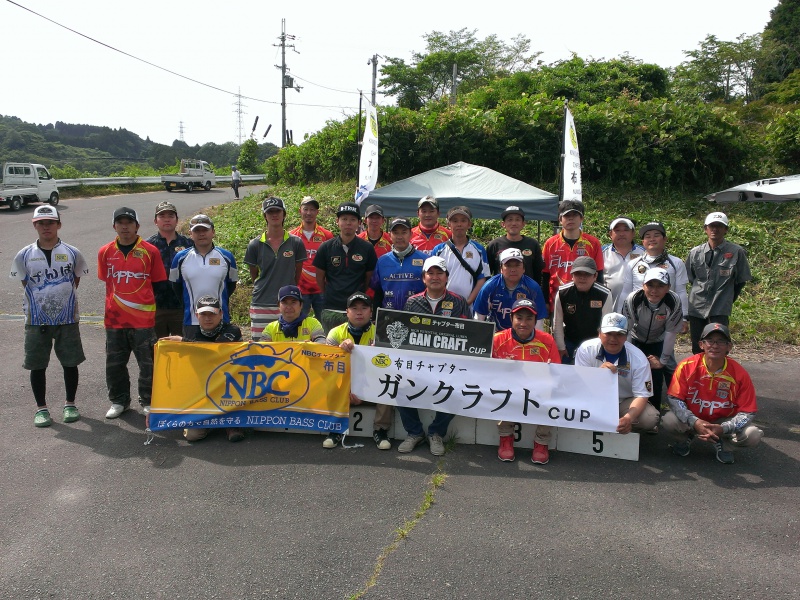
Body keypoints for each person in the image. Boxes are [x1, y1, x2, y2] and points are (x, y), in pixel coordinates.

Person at [10, 205, 89, 428]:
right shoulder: (24, 254)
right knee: (37, 365)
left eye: (50, 222)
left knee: (70, 363)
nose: (46, 227)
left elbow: (76, 279)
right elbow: (24, 282)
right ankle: (41, 409)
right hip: (36, 320)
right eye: (41, 223)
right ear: (34, 225)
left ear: (58, 225)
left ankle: (70, 404)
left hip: (67, 318)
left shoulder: (73, 252)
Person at [98, 207, 168, 419]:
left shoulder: (150, 251)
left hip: (143, 320)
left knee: (147, 364)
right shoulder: (105, 252)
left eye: (129, 222)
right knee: (115, 364)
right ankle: (119, 401)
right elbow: (106, 281)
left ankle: (147, 400)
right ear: (114, 226)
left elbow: (158, 283)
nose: (125, 226)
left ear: (137, 226)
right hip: (114, 319)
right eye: (120, 222)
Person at [397, 256, 470, 456]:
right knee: (398, 388)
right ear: (424, 278)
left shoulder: (459, 302)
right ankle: (414, 433)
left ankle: (436, 432)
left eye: (440, 273)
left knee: (457, 392)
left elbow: (470, 334)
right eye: (431, 273)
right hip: (419, 364)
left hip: (449, 365)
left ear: (447, 277)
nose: (435, 277)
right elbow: (404, 334)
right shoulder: (412, 302)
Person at [663, 323, 762, 464]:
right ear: (701, 344)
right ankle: (686, 438)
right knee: (669, 420)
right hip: (694, 419)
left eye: (721, 341)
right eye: (710, 341)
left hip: (722, 422)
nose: (715, 346)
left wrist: (723, 428)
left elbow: (748, 412)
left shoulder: (740, 373)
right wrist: (694, 422)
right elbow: (674, 398)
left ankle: (725, 446)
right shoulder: (686, 366)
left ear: (729, 347)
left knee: (752, 435)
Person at [161, 296, 246, 443]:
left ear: (221, 314)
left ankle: (231, 424)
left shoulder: (232, 330)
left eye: (212, 314)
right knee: (192, 436)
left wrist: (183, 342)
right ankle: (210, 421)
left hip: (231, 386)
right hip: (204, 389)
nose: (208, 318)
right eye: (204, 314)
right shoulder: (192, 333)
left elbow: (217, 350)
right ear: (196, 315)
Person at [492, 299, 561, 464]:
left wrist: (549, 372)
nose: (523, 323)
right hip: (509, 388)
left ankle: (541, 442)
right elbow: (488, 372)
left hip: (537, 389)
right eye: (519, 318)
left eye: (529, 319)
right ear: (511, 318)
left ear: (535, 321)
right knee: (501, 390)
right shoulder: (497, 339)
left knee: (552, 392)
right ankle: (506, 437)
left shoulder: (547, 340)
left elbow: (557, 372)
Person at [324, 291, 393, 449]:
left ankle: (381, 430)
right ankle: (336, 429)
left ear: (371, 311)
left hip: (371, 386)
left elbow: (386, 368)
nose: (359, 312)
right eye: (354, 308)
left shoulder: (380, 334)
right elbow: (329, 367)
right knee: (330, 384)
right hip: (345, 386)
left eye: (364, 307)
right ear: (347, 312)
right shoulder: (335, 333)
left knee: (388, 384)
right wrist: (340, 351)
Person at [574, 312, 660, 434]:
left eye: (619, 334)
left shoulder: (639, 359)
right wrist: (597, 376)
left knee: (649, 418)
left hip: (624, 402)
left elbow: (642, 395)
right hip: (594, 399)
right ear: (599, 333)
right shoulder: (586, 349)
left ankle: (623, 426)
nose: (613, 339)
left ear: (626, 336)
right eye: (608, 333)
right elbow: (579, 384)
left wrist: (628, 418)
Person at [685, 212, 752, 354]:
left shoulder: (736, 252)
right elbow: (690, 278)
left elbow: (740, 281)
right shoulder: (695, 252)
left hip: (720, 306)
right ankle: (699, 374)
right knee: (698, 346)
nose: (715, 229)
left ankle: (718, 375)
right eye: (712, 226)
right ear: (705, 229)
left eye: (719, 226)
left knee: (719, 345)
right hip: (696, 306)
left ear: (726, 229)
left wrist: (727, 298)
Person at [621, 267, 684, 413]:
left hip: (659, 340)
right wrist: (628, 358)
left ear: (668, 288)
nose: (654, 290)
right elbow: (626, 331)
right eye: (650, 285)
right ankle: (630, 410)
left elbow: (671, 333)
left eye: (660, 286)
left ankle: (658, 411)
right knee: (631, 372)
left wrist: (662, 361)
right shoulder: (633, 299)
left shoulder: (673, 301)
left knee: (657, 374)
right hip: (636, 338)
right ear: (643, 285)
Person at [244, 197, 307, 341]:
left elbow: (297, 272)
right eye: (270, 212)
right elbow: (254, 273)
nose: (274, 215)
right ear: (264, 216)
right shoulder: (255, 244)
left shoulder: (295, 242)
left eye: (277, 211)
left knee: (288, 347)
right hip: (261, 303)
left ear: (284, 214)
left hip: (288, 303)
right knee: (260, 347)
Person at [170, 214, 238, 339]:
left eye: (205, 230)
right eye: (197, 230)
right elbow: (176, 287)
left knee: (222, 358)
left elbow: (231, 285)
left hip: (220, 320)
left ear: (213, 232)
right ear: (191, 233)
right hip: (191, 321)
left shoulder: (227, 257)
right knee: (193, 358)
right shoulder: (180, 258)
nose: (201, 234)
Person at [313, 202, 377, 332]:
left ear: (359, 223)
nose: (348, 223)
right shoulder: (325, 247)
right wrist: (327, 294)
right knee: (331, 348)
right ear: (337, 221)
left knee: (356, 348)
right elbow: (319, 277)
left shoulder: (367, 248)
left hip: (356, 309)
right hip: (331, 308)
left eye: (353, 219)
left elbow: (369, 277)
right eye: (344, 219)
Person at [616, 221, 689, 329]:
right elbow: (626, 292)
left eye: (656, 235)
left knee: (665, 345)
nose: (652, 239)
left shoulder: (676, 263)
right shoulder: (633, 264)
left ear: (665, 239)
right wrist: (620, 316)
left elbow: (681, 291)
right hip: (637, 316)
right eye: (648, 236)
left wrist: (684, 318)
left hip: (665, 316)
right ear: (643, 241)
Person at [541, 199, 604, 310]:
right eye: (566, 215)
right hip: (557, 300)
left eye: (575, 215)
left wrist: (598, 299)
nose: (571, 218)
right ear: (560, 219)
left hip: (585, 299)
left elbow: (599, 274)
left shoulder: (593, 243)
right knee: (557, 328)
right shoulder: (550, 244)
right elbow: (545, 276)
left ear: (582, 219)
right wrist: (545, 301)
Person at [551, 256, 613, 365]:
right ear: (572, 276)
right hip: (569, 341)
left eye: (587, 274)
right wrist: (561, 347)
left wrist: (601, 347)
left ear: (595, 276)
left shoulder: (605, 294)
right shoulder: (562, 293)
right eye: (578, 274)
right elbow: (557, 322)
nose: (582, 278)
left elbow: (606, 325)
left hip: (594, 342)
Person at [147, 201, 193, 338]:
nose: (167, 219)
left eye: (171, 216)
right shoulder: (147, 246)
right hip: (155, 307)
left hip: (182, 306)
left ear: (177, 220)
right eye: (162, 216)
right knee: (157, 350)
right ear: (155, 221)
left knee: (183, 349)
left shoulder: (189, 244)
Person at [473, 248, 548, 331]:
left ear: (524, 268)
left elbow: (539, 320)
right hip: (496, 334)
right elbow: (479, 318)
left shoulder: (533, 288)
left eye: (517, 265)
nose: (513, 270)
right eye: (508, 266)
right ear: (501, 268)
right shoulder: (489, 286)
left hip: (523, 335)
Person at [431, 205, 490, 308]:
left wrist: (468, 302)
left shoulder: (479, 250)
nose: (459, 224)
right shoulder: (438, 250)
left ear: (469, 224)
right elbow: (431, 277)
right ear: (448, 224)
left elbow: (482, 278)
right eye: (455, 221)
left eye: (463, 220)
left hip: (469, 307)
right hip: (441, 305)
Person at [288, 196, 334, 319]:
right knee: (299, 324)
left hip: (322, 290)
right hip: (300, 289)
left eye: (312, 209)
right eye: (306, 209)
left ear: (317, 212)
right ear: (300, 211)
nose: (309, 213)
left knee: (325, 325)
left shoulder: (327, 235)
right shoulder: (291, 236)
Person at [370, 217, 427, 310]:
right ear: (389, 235)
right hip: (389, 316)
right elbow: (378, 291)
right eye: (396, 233)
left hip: (417, 316)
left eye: (404, 232)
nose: (399, 237)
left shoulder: (425, 260)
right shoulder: (382, 261)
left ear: (411, 234)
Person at [486, 205, 544, 284]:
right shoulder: (494, 245)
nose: (514, 223)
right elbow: (487, 273)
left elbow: (538, 272)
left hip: (527, 292)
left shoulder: (532, 244)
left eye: (517, 220)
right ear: (503, 224)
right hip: (500, 293)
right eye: (510, 220)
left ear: (523, 223)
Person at [601, 216, 644, 305]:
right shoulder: (602, 253)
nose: (621, 234)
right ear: (610, 234)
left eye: (626, 230)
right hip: (609, 305)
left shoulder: (645, 253)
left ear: (633, 233)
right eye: (617, 230)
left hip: (639, 306)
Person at [261, 285, 326, 343]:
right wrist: (253, 347)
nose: (289, 307)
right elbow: (261, 347)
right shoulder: (270, 328)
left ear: (301, 305)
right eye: (285, 303)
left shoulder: (313, 323)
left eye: (293, 302)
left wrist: (312, 346)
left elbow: (322, 342)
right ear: (279, 306)